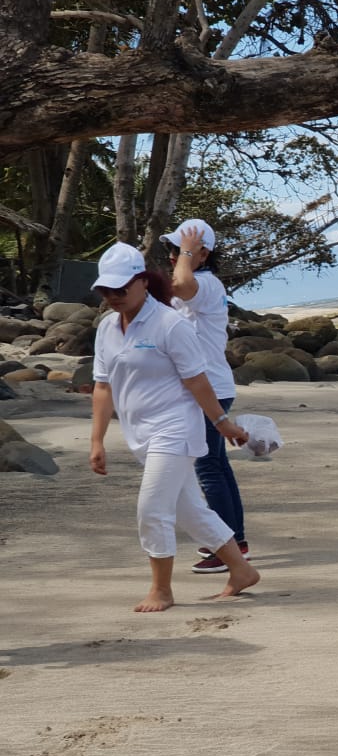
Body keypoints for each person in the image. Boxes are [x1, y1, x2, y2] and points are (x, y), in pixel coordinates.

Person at [89, 242, 260, 613]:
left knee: (152, 508)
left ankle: (161, 589)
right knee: (188, 509)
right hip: (139, 433)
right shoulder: (106, 328)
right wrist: (97, 440)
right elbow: (103, 387)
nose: (113, 297)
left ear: (144, 282)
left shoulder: (170, 323)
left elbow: (197, 381)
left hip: (176, 428)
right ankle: (241, 570)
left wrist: (222, 422)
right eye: (106, 291)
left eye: (121, 289)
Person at [162, 219, 250, 573]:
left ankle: (227, 546)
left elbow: (182, 284)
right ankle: (235, 540)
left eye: (179, 250)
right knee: (216, 467)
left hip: (209, 388)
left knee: (209, 468)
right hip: (210, 386)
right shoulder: (202, 285)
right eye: (171, 249)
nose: (172, 257)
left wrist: (187, 255)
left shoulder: (208, 285)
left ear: (203, 254)